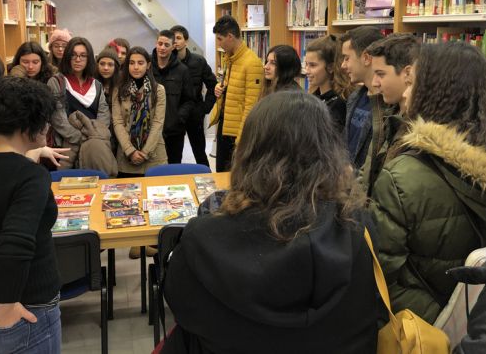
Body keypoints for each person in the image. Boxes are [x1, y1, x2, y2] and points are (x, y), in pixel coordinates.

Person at [161, 92, 379, 354]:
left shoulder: (202, 239)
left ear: (248, 152)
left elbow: (182, 306)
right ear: (329, 152)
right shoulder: (357, 229)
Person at [370, 42, 486, 324]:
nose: (406, 92)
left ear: (434, 93)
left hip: (425, 328)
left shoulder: (401, 176)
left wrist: (443, 326)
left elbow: (381, 278)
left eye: (413, 83)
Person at [0, 77, 62, 353]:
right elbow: (14, 242)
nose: (48, 127)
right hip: (26, 304)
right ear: (28, 125)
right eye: (45, 121)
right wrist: (5, 305)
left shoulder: (17, 169)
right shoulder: (31, 176)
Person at [361, 33, 420, 196]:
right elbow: (368, 173)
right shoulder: (386, 113)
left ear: (407, 74)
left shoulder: (419, 130)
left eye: (380, 74)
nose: (374, 83)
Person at [209, 15, 263, 172]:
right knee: (221, 174)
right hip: (225, 126)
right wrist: (219, 88)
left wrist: (241, 139)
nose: (218, 44)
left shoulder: (252, 63)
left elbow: (251, 106)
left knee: (234, 176)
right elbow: (233, 89)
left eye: (220, 39)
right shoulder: (231, 58)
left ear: (230, 37)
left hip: (237, 133)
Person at [47, 37, 111, 165]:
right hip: (67, 145)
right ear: (67, 57)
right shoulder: (57, 82)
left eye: (83, 55)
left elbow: (103, 116)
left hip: (94, 147)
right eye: (73, 55)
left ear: (89, 58)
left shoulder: (96, 85)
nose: (78, 59)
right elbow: (58, 119)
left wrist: (94, 138)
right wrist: (82, 138)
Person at [112, 47, 167, 176]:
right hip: (126, 155)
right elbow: (117, 122)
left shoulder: (158, 90)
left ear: (148, 65)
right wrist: (130, 151)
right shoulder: (119, 90)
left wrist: (145, 152)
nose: (136, 67)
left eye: (140, 63)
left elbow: (158, 123)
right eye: (132, 63)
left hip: (153, 154)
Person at [170, 25, 217, 167]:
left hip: (195, 115)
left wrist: (205, 108)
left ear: (186, 41)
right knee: (174, 157)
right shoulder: (167, 63)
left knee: (200, 154)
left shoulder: (199, 61)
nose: (175, 42)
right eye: (173, 39)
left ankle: (207, 179)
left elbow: (212, 85)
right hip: (174, 116)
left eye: (179, 38)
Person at [340, 26, 384, 169]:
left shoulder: (388, 104)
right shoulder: (354, 98)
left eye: (347, 58)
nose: (342, 65)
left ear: (366, 58)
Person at [151, 30, 194, 164]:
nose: (162, 48)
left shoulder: (182, 70)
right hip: (150, 131)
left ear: (173, 47)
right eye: (160, 43)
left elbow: (189, 100)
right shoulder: (147, 68)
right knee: (151, 169)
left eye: (166, 45)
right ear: (156, 43)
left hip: (174, 133)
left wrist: (178, 119)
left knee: (173, 168)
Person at [305, 35, 351, 131]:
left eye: (312, 65)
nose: (307, 71)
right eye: (306, 64)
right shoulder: (314, 96)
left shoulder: (338, 104)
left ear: (330, 67)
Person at [95, 48, 121, 112]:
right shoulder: (91, 83)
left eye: (110, 65)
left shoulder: (122, 84)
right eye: (102, 64)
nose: (106, 68)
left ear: (116, 67)